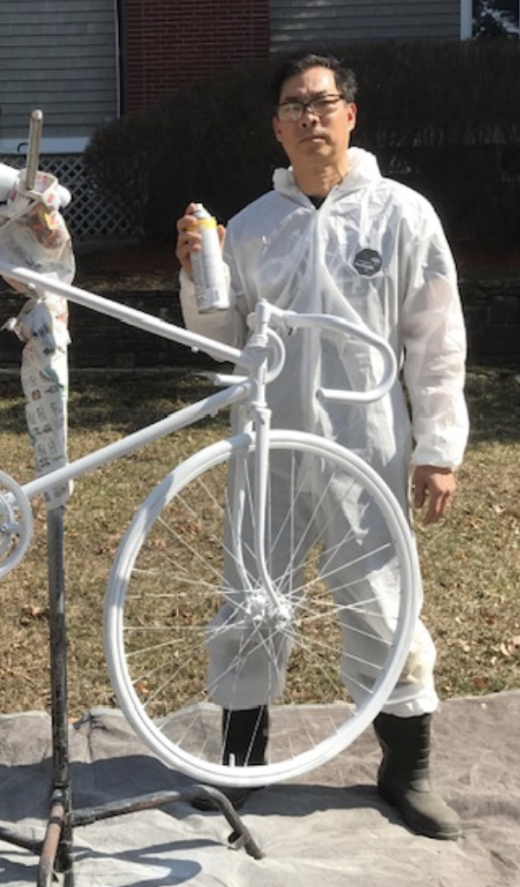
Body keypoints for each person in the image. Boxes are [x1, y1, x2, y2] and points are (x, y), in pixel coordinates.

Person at [175, 52, 468, 841]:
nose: (310, 116)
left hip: (365, 442)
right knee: (252, 596)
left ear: (350, 116)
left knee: (381, 600)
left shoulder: (401, 215)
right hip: (267, 442)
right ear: (276, 127)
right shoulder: (252, 226)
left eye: (324, 101)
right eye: (294, 106)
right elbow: (221, 338)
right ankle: (241, 763)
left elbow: (436, 339)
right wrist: (194, 274)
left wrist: (437, 446)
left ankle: (405, 769)